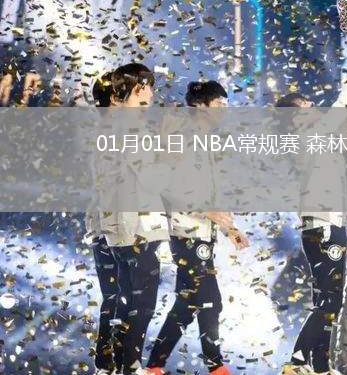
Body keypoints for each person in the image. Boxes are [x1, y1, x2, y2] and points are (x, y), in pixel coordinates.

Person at [144, 81, 249, 375]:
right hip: (186, 232)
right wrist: (206, 211)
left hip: (203, 233)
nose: (224, 111)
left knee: (189, 303)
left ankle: (154, 366)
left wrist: (230, 229)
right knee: (211, 301)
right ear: (200, 106)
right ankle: (215, 366)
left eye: (226, 105)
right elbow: (168, 188)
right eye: (219, 105)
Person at [100, 63, 168, 374]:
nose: (149, 95)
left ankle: (119, 364)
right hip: (136, 229)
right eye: (142, 89)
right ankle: (129, 365)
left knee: (126, 300)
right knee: (141, 304)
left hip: (125, 228)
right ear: (119, 95)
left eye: (150, 88)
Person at [277, 92, 347, 375]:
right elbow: (343, 105)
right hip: (327, 225)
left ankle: (320, 366)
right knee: (332, 300)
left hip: (317, 225)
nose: (314, 107)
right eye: (307, 106)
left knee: (326, 299)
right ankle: (297, 361)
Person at [87, 71, 122, 375]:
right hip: (110, 228)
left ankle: (112, 362)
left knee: (120, 297)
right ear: (114, 97)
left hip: (111, 228)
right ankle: (110, 363)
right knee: (118, 296)